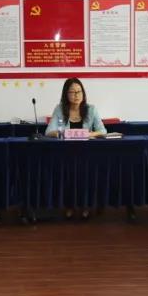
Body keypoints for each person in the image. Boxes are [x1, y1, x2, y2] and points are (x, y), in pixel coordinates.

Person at [46, 78, 107, 220]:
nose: (76, 95)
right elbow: (48, 132)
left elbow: (103, 131)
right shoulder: (60, 109)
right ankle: (69, 206)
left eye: (79, 91)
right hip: (66, 154)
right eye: (72, 92)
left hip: (87, 154)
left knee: (86, 176)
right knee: (67, 176)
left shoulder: (91, 109)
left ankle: (85, 206)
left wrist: (90, 134)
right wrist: (64, 133)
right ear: (66, 94)